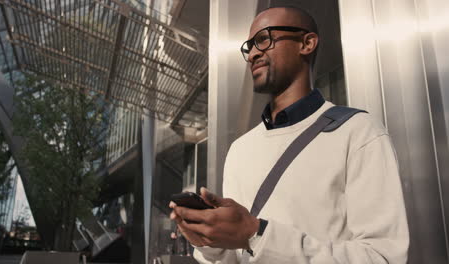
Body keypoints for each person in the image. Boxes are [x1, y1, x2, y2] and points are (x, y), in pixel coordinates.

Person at [169, 4, 409, 264]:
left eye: (264, 39)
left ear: (306, 43)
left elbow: (382, 256)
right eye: (249, 47)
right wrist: (209, 243)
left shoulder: (358, 131)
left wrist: (256, 234)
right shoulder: (240, 149)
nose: (252, 55)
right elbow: (237, 257)